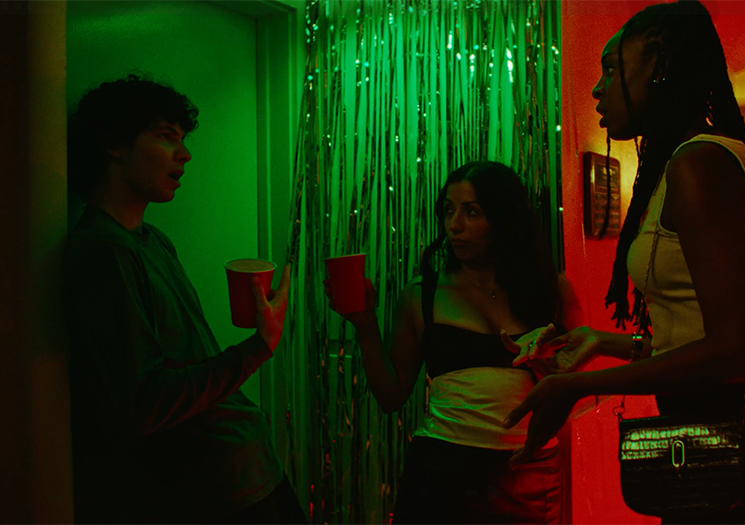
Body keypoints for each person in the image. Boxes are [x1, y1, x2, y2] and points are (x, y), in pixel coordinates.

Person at [503, 1, 745, 523]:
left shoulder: (698, 162)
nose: (597, 89)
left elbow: (739, 355)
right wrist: (601, 342)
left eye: (612, 68)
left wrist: (578, 385)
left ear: (657, 65)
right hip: (725, 427)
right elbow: (699, 337)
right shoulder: (678, 164)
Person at [63, 74, 302, 524]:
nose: (184, 153)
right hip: (216, 494)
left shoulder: (152, 240)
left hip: (250, 471)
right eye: (165, 136)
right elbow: (146, 404)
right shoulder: (104, 252)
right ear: (114, 144)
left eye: (182, 139)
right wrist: (259, 346)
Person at [325, 161, 583, 524]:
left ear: (504, 218)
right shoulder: (423, 293)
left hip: (527, 471)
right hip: (441, 470)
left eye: (471, 212)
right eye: (448, 210)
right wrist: (365, 324)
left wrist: (551, 370)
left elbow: (582, 389)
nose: (454, 225)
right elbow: (391, 396)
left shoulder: (552, 290)